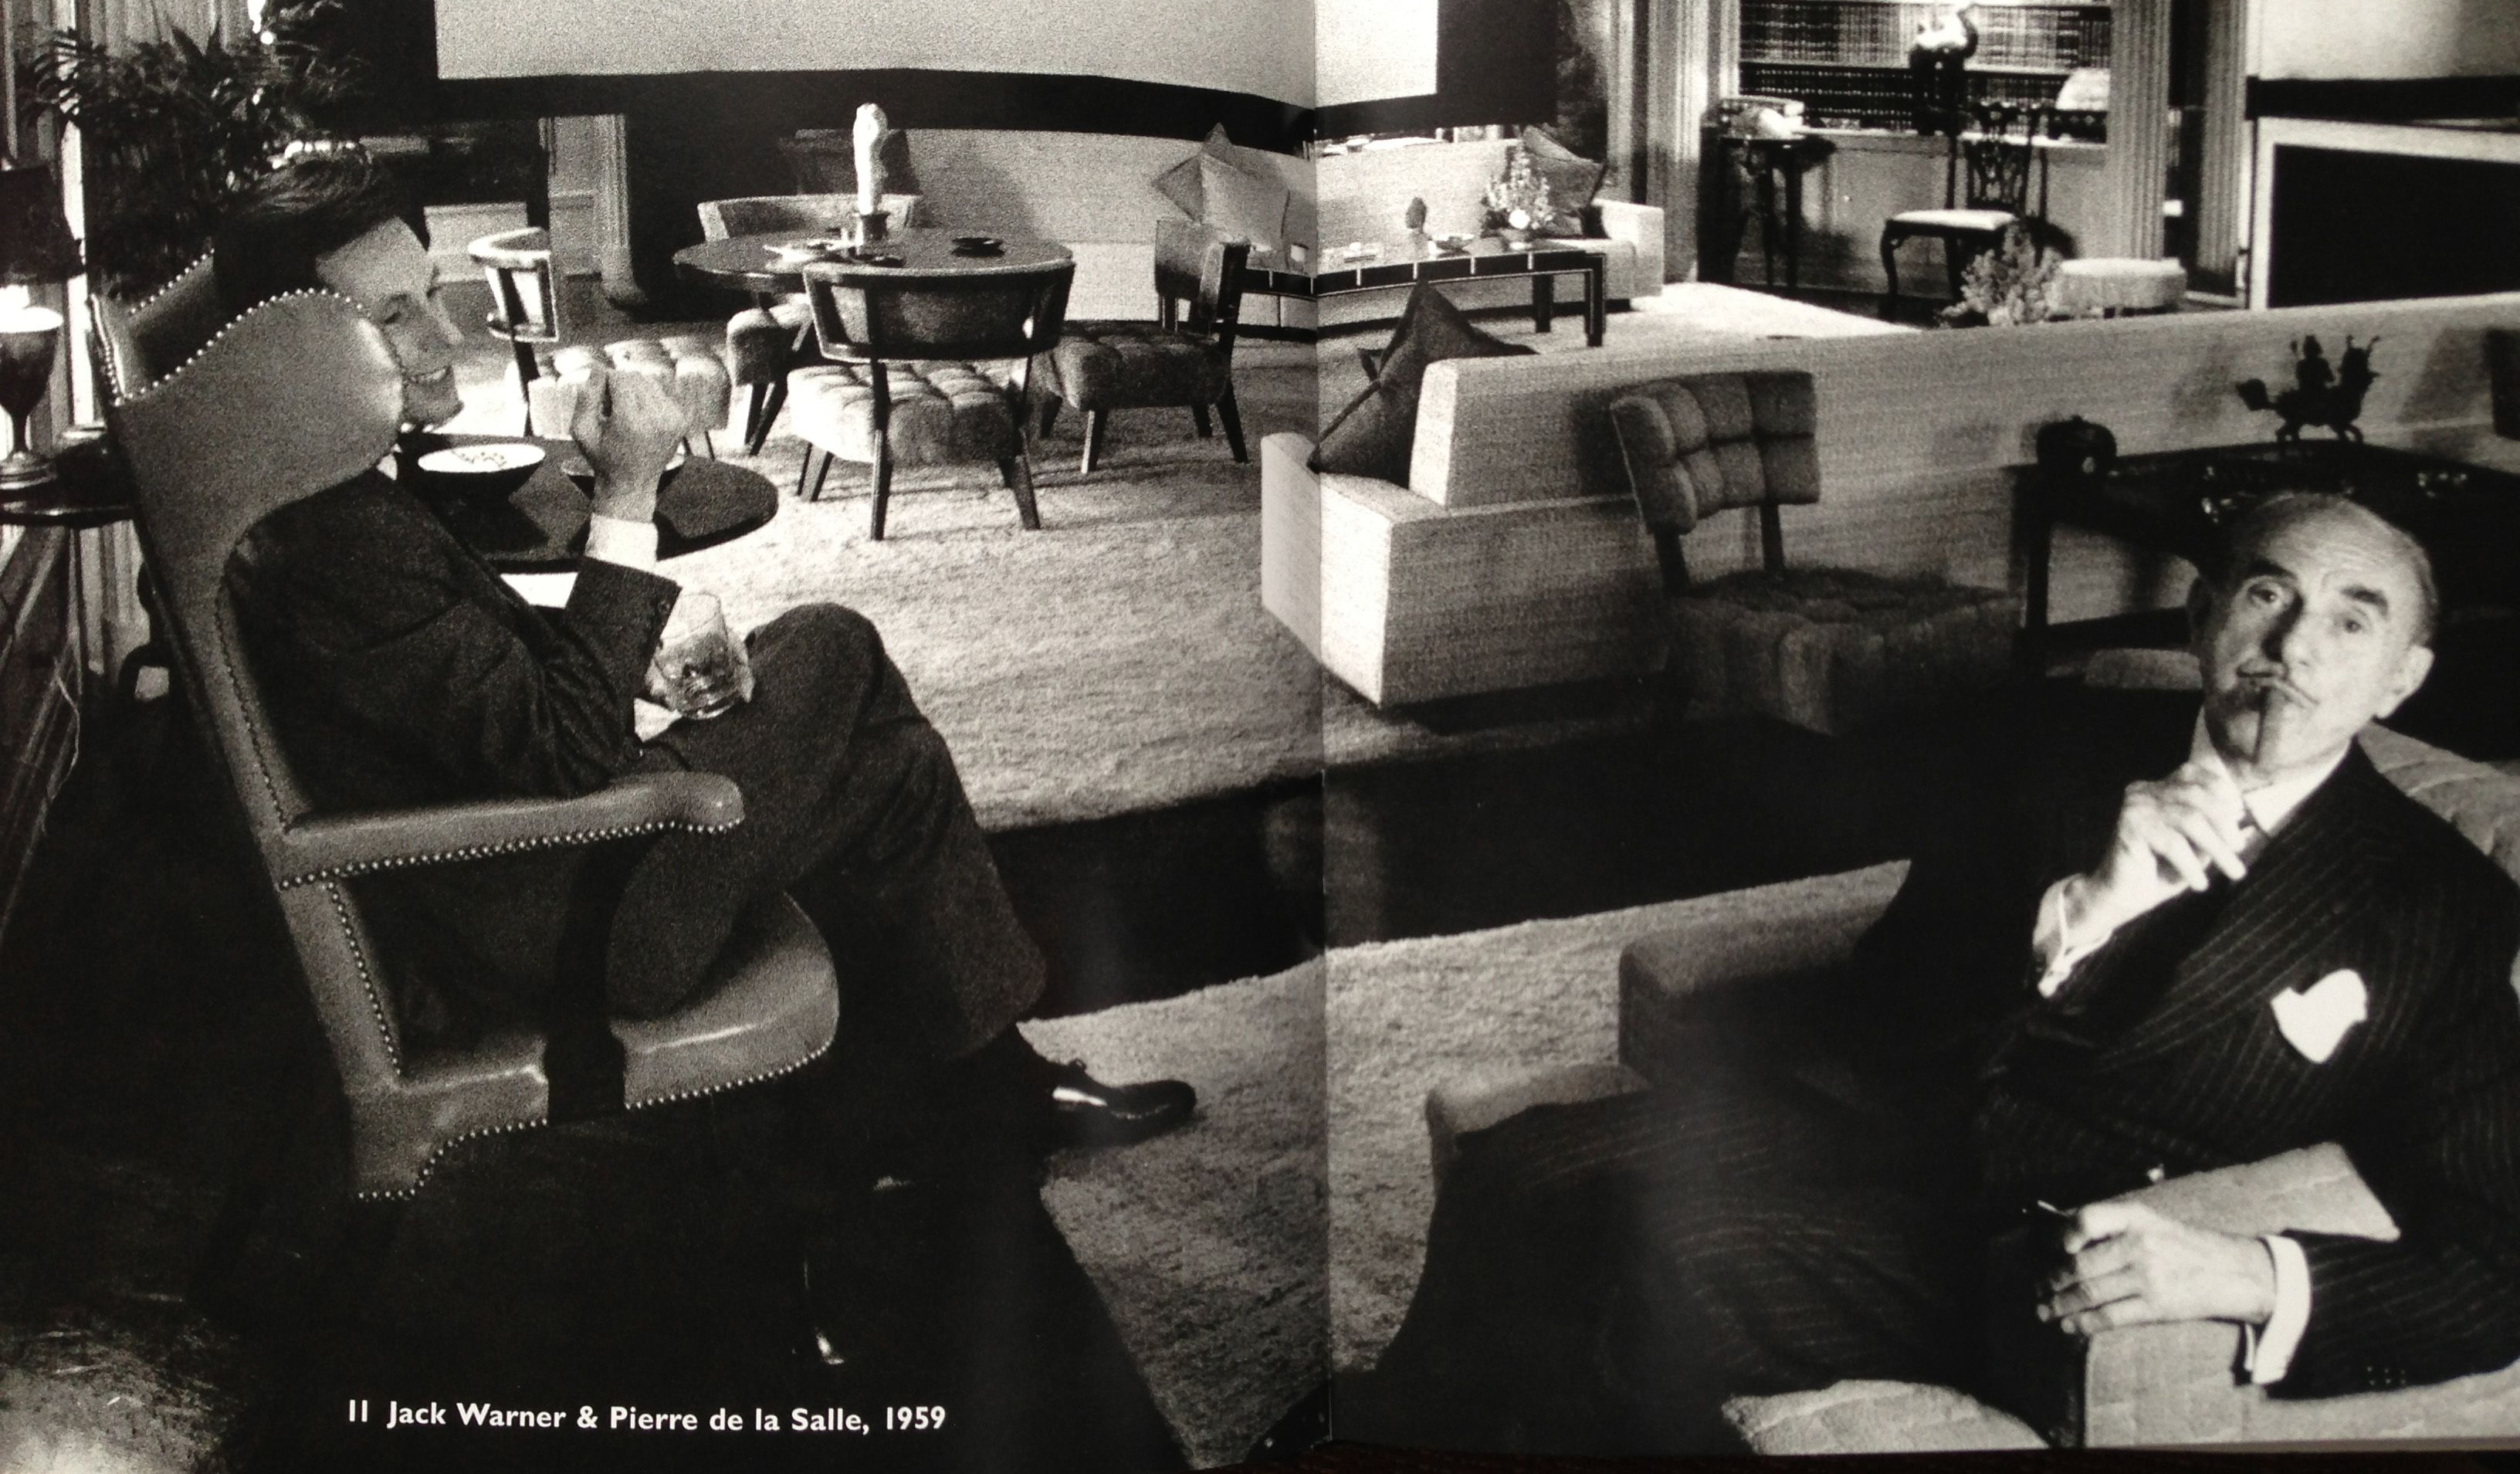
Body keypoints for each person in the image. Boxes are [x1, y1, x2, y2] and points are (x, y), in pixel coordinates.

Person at [1339, 491, 2520, 1453]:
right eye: (2269, 594)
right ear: (2202, 613)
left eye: (2352, 621)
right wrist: (2084, 907)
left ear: (2402, 678)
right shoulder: (2056, 746)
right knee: (1521, 1165)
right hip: (1877, 1122)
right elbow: (1891, 984)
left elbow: (2497, 1266)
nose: (2295, 646)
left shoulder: (2448, 909)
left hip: (2018, 1247)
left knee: (1664, 1267)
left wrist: (2249, 1272)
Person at [208, 157, 1194, 1184]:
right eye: (394, 318)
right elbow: (562, 753)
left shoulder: (312, 494)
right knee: (834, 641)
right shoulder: (337, 539)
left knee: (894, 770)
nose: (446, 335)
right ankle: (956, 1100)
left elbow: (461, 689)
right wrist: (626, 496)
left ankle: (981, 1091)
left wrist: (631, 663)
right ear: (295, 360)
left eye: (429, 295)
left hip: (546, 870)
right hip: (573, 918)